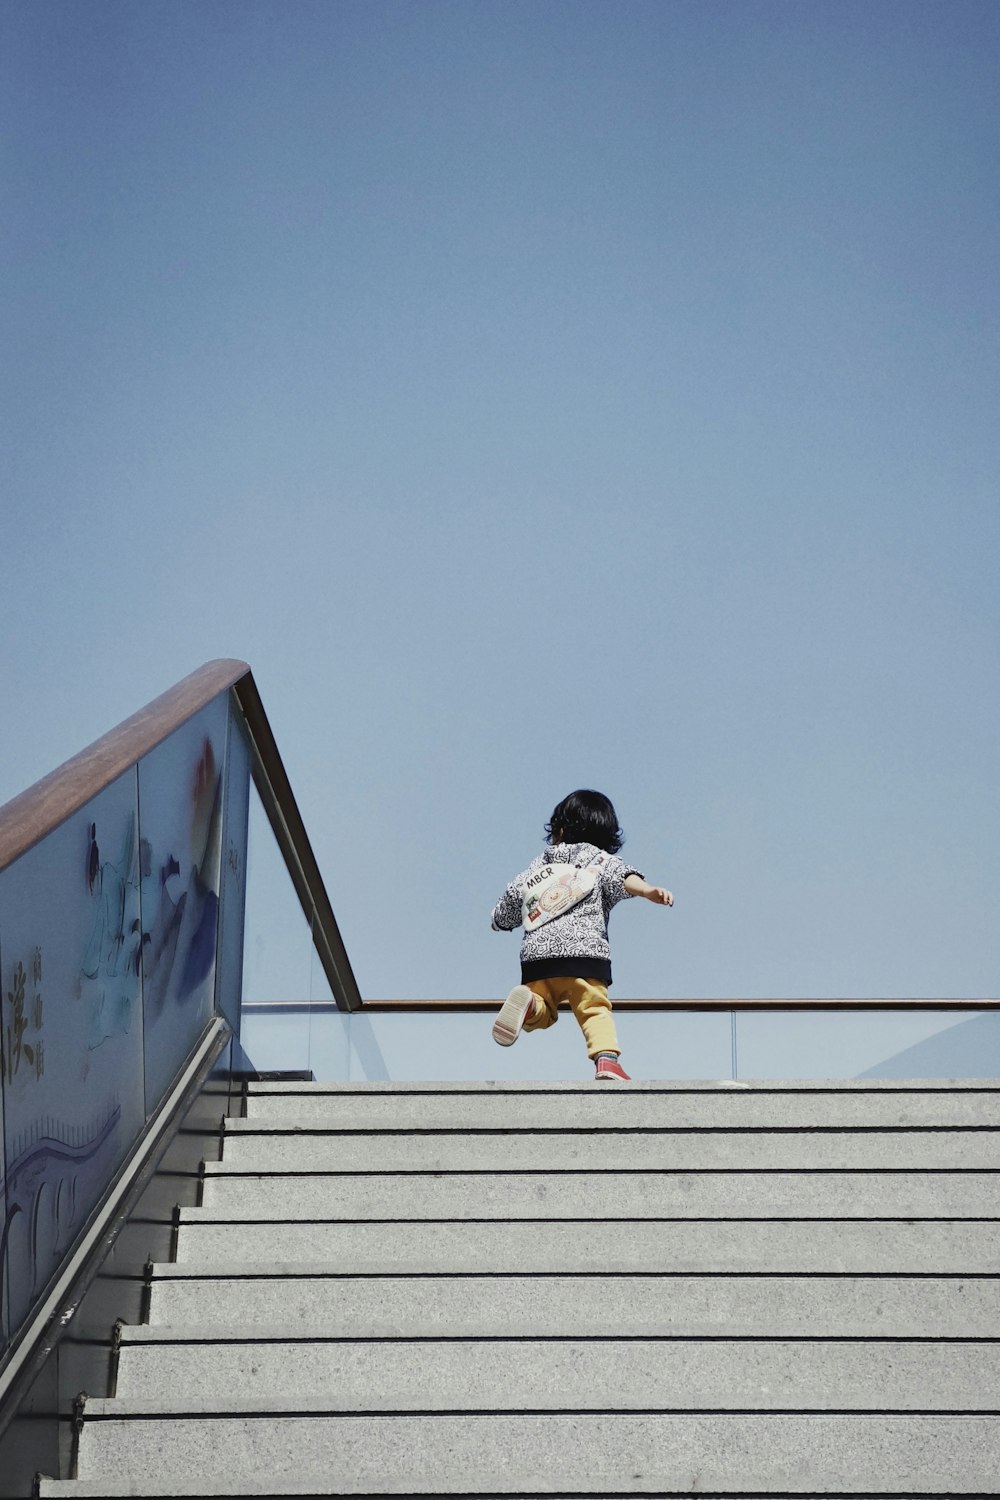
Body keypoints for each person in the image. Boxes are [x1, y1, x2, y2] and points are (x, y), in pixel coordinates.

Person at [490, 789, 673, 1081]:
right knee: (594, 1008)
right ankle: (607, 1061)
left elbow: (514, 897)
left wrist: (499, 921)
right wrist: (649, 891)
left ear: (559, 828)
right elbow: (625, 879)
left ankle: (529, 1004)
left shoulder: (542, 864)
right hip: (584, 955)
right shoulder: (600, 861)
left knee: (544, 1011)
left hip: (539, 958)